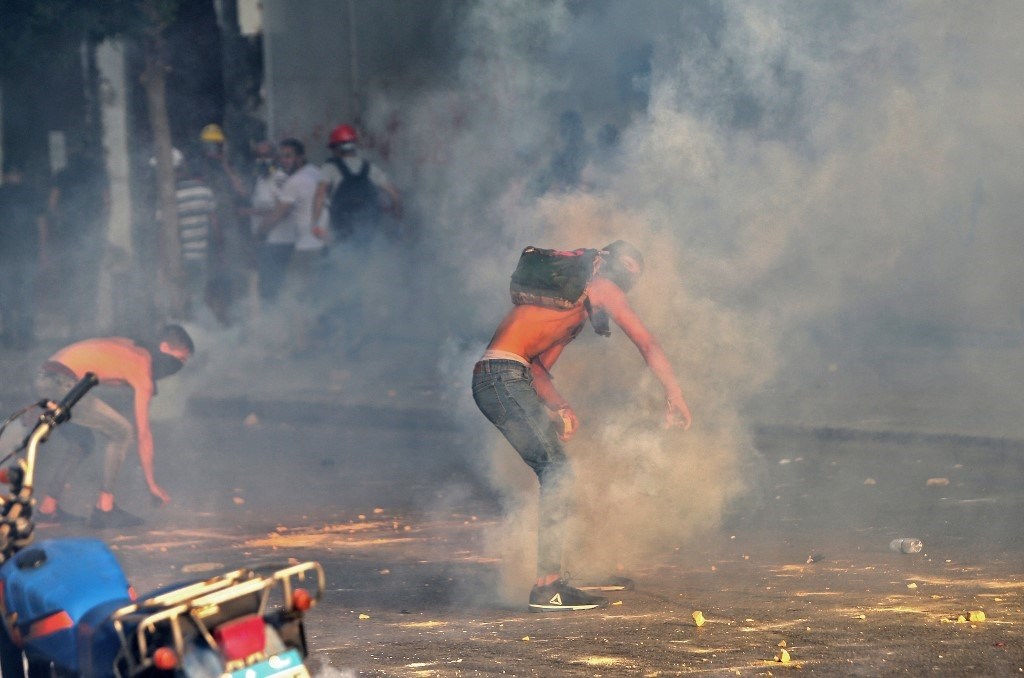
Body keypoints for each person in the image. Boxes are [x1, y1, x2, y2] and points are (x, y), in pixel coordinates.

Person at [472, 240, 692, 612]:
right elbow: (646, 342)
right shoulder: (602, 288)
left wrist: (561, 406)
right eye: (627, 267)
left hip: (503, 377)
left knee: (557, 469)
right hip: (501, 377)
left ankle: (557, 576)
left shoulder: (571, 308)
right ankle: (547, 589)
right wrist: (675, 393)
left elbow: (537, 368)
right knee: (556, 469)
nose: (629, 278)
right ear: (605, 267)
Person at [34, 324, 195, 528]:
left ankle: (48, 509)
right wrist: (151, 484)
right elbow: (143, 433)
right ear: (164, 348)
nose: (179, 366)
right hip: (61, 382)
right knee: (123, 431)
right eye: (181, 359)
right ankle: (105, 508)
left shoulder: (129, 346)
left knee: (83, 443)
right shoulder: (141, 365)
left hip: (45, 376)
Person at [258, 139, 323, 352]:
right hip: (320, 244)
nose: (284, 160)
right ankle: (310, 340)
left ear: (300, 157)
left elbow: (277, 215)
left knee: (292, 294)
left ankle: (301, 344)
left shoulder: (295, 181)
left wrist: (258, 233)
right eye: (282, 156)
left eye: (288, 155)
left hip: (306, 247)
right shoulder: (315, 172)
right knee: (313, 294)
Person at [311, 123, 401, 247]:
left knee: (338, 257)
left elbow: (320, 194)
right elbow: (394, 194)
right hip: (368, 223)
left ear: (337, 148)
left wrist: (314, 223)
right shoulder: (370, 167)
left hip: (341, 223)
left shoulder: (330, 167)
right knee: (363, 257)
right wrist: (397, 223)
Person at [0, 160, 48, 350]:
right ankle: (12, 334)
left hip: (26, 254)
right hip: (6, 254)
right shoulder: (2, 195)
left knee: (24, 296)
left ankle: (24, 334)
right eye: (10, 173)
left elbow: (41, 223)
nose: (13, 176)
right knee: (7, 296)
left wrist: (43, 251)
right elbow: (42, 223)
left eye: (15, 173)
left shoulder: (31, 194)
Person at [243, 140, 291, 303]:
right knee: (266, 288)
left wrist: (250, 212)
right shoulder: (260, 179)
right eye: (259, 156)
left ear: (274, 157)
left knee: (276, 288)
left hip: (278, 242)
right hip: (264, 242)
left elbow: (283, 210)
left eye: (266, 155)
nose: (262, 160)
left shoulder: (279, 178)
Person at [174, 154, 218, 320]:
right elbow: (214, 224)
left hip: (178, 257)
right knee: (197, 296)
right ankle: (197, 332)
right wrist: (219, 250)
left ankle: (188, 332)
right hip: (200, 255)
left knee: (181, 295)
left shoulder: (169, 195)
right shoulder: (205, 191)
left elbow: (162, 233)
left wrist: (162, 260)